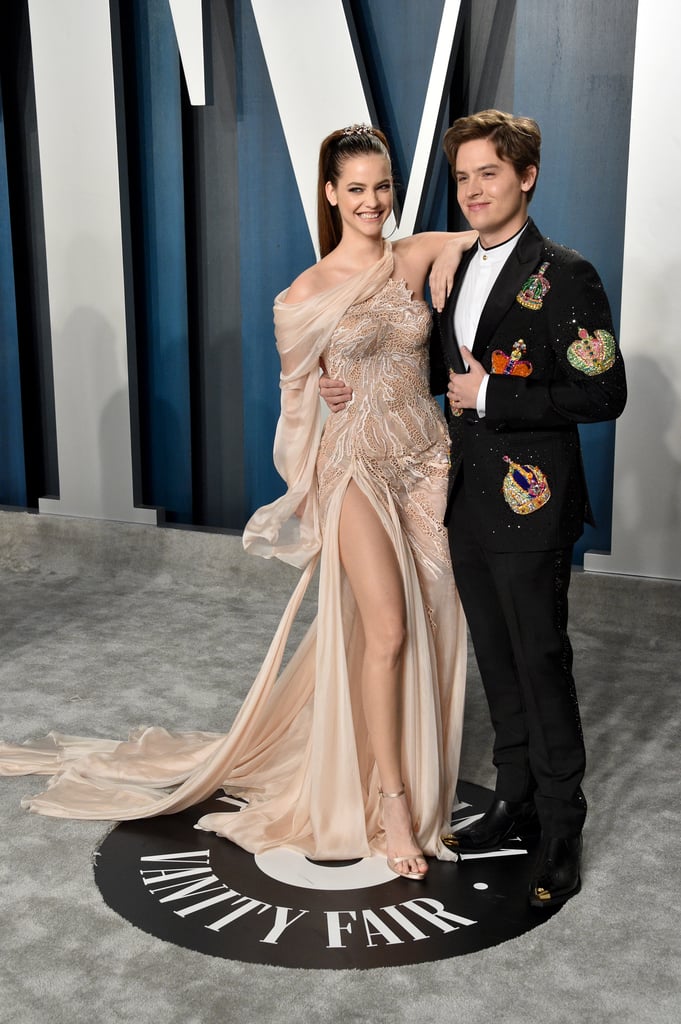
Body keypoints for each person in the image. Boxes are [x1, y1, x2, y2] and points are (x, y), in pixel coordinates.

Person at [0, 125, 474, 880]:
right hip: (353, 467)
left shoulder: (411, 255)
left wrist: (447, 249)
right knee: (384, 631)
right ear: (329, 194)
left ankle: (395, 761)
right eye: (354, 188)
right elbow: (294, 404)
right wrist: (324, 400)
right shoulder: (304, 295)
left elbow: (468, 238)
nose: (371, 202)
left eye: (381, 186)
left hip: (426, 461)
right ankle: (391, 805)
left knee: (433, 623)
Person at [321, 109, 627, 907]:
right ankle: (514, 800)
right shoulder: (449, 269)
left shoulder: (566, 274)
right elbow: (417, 366)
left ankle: (562, 827)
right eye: (461, 177)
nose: (473, 189)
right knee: (496, 663)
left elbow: (603, 392)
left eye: (488, 172)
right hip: (458, 499)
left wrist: (496, 393)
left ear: (525, 176)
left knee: (540, 663)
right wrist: (343, 386)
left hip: (531, 504)